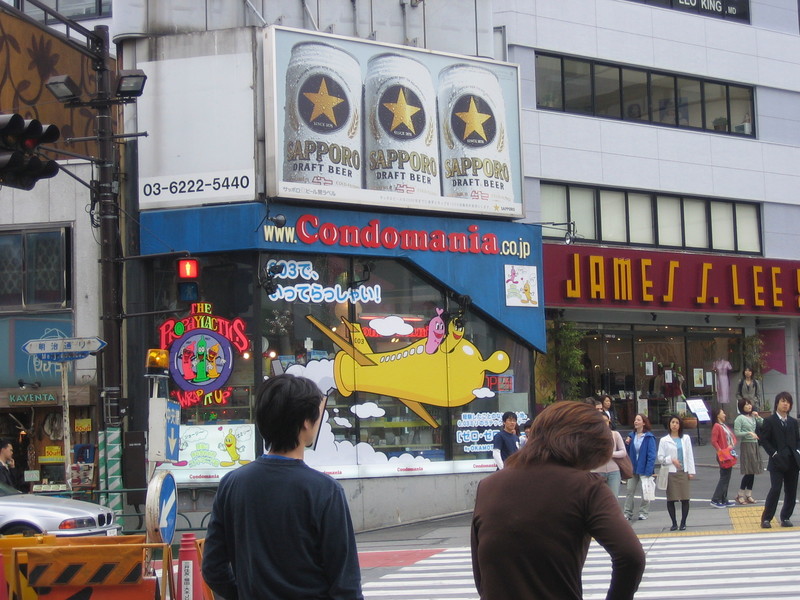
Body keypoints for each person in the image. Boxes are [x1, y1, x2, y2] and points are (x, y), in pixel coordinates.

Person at [202, 374, 363, 600]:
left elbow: (212, 568)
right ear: (306, 422)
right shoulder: (325, 491)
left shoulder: (232, 484)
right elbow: (345, 583)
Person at [471, 401, 645, 600]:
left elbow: (481, 575)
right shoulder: (586, 487)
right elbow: (631, 556)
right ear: (584, 448)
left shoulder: (488, 486)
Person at [758, 391, 800, 529]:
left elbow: (798, 439)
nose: (785, 404)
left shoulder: (793, 422)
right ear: (777, 403)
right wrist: (774, 454)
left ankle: (785, 517)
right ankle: (767, 518)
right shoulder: (769, 421)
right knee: (775, 489)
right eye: (783, 401)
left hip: (792, 460)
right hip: (777, 460)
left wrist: (798, 452)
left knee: (791, 491)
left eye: (788, 402)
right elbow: (764, 439)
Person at [624, 413, 657, 521]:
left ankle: (644, 512)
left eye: (638, 420)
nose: (636, 422)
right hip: (633, 468)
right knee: (630, 490)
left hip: (644, 468)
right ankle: (627, 512)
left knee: (645, 492)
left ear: (643, 422)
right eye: (635, 420)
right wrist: (627, 443)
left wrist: (649, 470)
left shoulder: (649, 437)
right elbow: (627, 452)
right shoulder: (631, 436)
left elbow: (652, 455)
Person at [733, 397, 764, 504]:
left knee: (753, 471)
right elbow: (737, 433)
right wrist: (748, 433)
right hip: (746, 445)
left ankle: (748, 494)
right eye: (746, 405)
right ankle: (740, 494)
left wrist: (758, 417)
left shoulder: (753, 417)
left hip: (755, 444)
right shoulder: (740, 418)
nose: (749, 406)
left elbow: (764, 425)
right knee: (748, 471)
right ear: (742, 407)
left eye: (749, 404)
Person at [591, 412, 627, 498]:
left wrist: (611, 454)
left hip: (613, 470)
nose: (604, 423)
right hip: (597, 471)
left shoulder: (615, 434)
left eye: (606, 421)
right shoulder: (592, 436)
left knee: (613, 498)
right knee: (598, 499)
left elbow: (623, 452)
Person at [710, 408, 738, 508]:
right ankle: (715, 499)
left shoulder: (724, 425)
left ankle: (723, 499)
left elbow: (733, 437)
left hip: (728, 453)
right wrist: (720, 451)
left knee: (726, 477)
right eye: (723, 413)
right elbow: (714, 441)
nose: (724, 415)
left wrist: (732, 445)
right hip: (723, 455)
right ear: (718, 415)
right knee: (724, 477)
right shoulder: (717, 426)